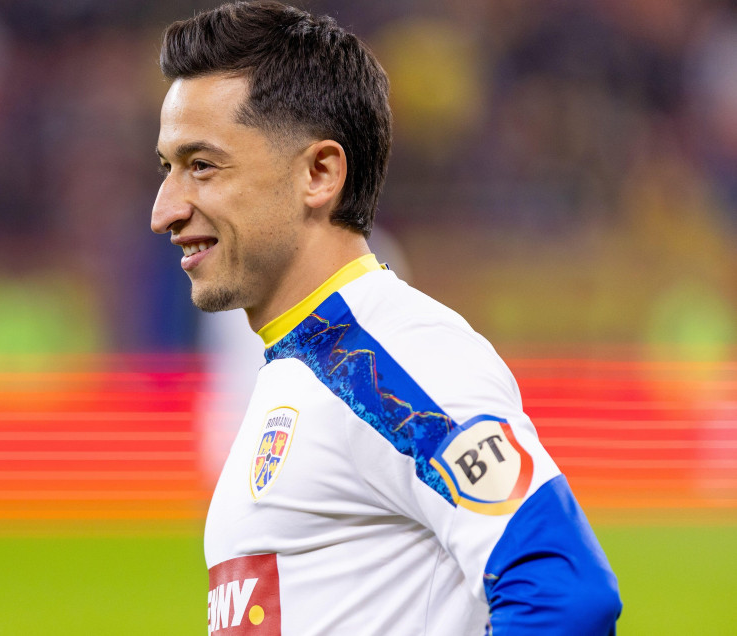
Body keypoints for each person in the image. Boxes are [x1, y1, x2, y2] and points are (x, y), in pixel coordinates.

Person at [150, 2, 622, 634]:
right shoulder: (302, 366)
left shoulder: (388, 361)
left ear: (319, 174)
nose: (165, 210)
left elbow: (565, 592)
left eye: (201, 166)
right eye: (167, 169)